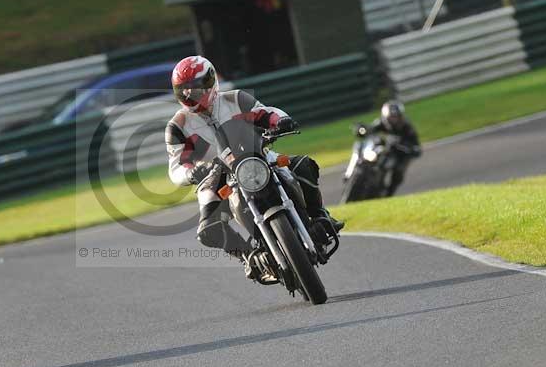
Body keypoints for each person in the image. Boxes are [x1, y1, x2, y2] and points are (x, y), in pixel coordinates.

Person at [165, 56, 343, 285]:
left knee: (303, 165)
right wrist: (192, 173)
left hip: (256, 157)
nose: (191, 96)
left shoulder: (236, 99)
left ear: (210, 83)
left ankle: (320, 216)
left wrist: (281, 121)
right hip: (215, 176)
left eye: (196, 90)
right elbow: (176, 166)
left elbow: (265, 112)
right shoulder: (177, 126)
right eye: (184, 92)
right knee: (208, 228)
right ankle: (247, 255)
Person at [367, 100, 421, 196]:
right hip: (385, 149)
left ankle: (389, 193)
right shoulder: (381, 122)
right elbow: (370, 129)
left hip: (400, 152)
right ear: (386, 116)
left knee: (399, 172)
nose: (393, 119)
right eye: (391, 117)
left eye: (396, 117)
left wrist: (413, 149)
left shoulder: (407, 127)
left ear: (400, 116)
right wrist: (363, 129)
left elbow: (416, 145)